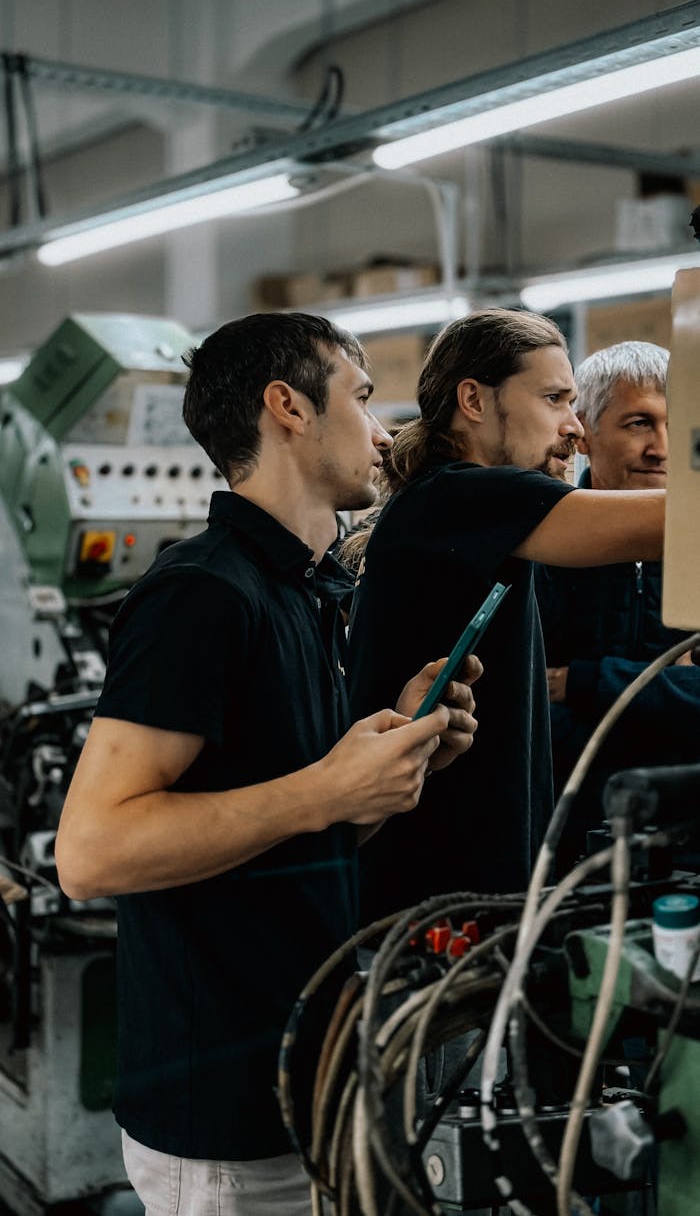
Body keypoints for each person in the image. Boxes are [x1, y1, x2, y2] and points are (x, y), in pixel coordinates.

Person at [54, 313, 481, 1216]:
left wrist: (389, 762)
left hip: (306, 1077)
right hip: (223, 1114)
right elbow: (90, 851)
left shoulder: (307, 591)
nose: (383, 430)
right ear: (287, 406)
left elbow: (294, 824)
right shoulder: (201, 594)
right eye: (363, 399)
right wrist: (325, 785)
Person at [347, 309, 666, 924]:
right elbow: (664, 524)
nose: (573, 427)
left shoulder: (458, 506)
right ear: (474, 399)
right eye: (553, 399)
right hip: (430, 893)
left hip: (466, 884)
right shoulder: (456, 496)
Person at [535, 341, 700, 868]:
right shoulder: (541, 547)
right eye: (638, 424)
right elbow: (529, 704)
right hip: (565, 840)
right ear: (583, 430)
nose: (662, 448)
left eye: (677, 426)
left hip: (687, 829)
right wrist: (668, 693)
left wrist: (582, 682)